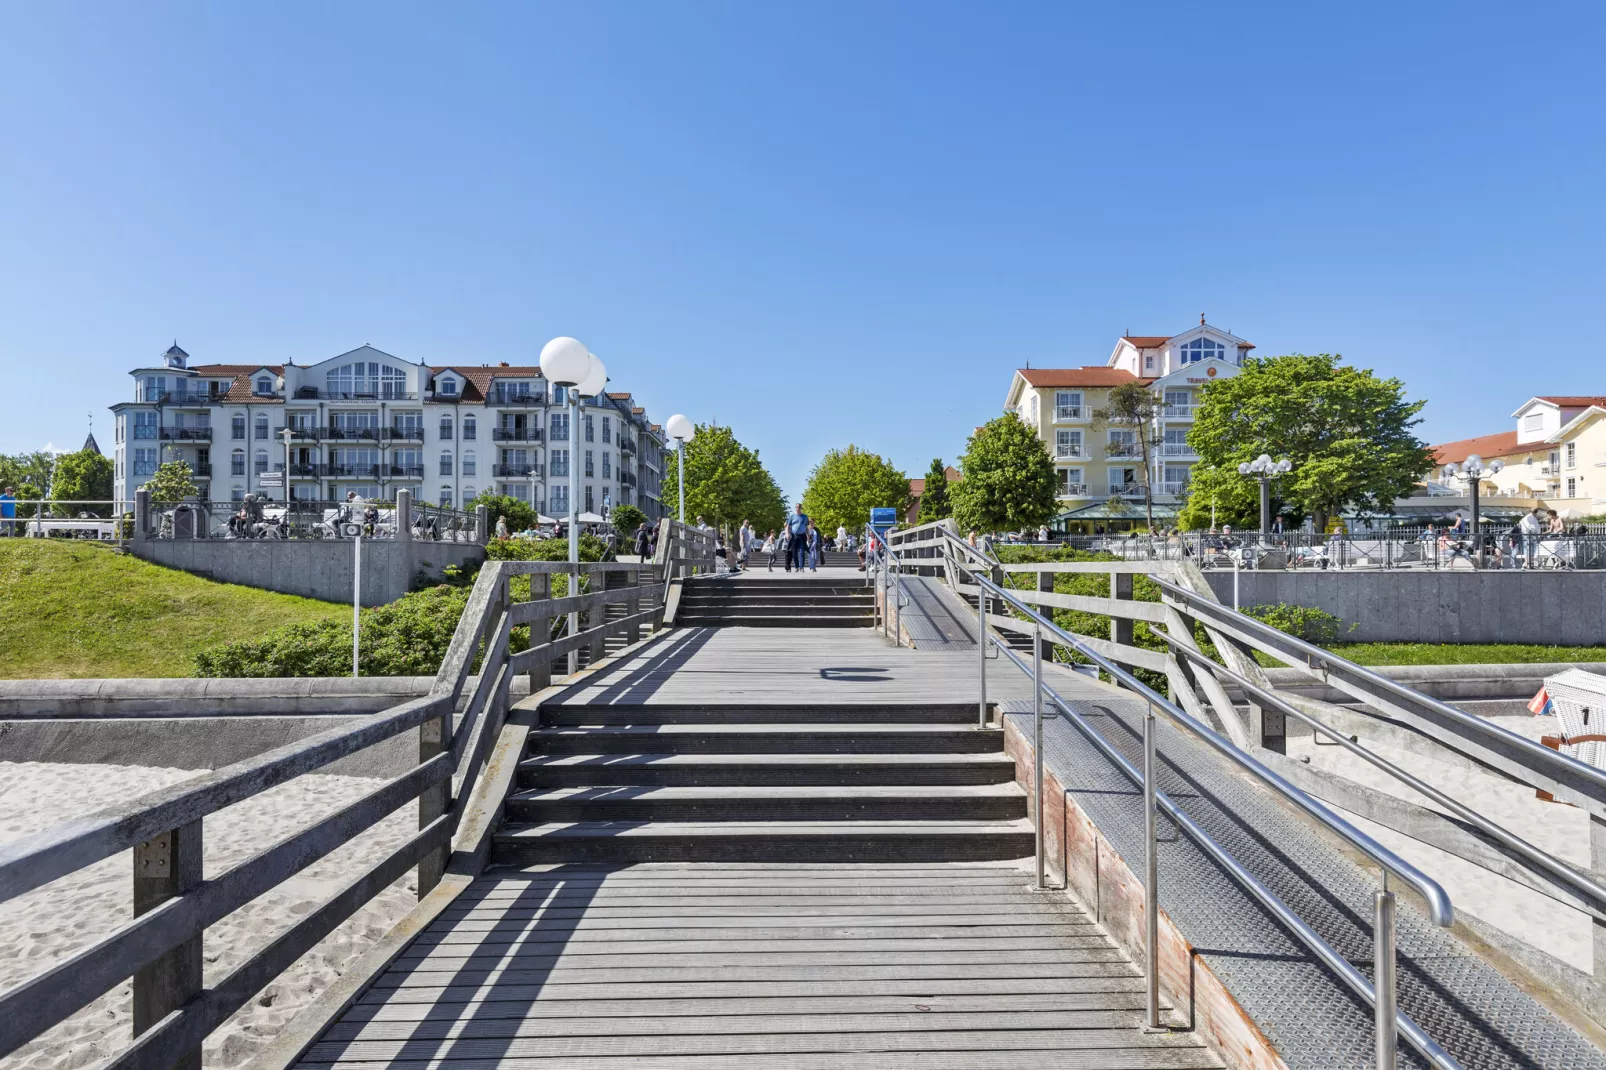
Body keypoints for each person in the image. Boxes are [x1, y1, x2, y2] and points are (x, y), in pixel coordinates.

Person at [787, 503, 811, 572]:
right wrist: (787, 534)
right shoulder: (792, 516)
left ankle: (802, 567)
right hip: (794, 536)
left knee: (802, 552)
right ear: (795, 508)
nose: (798, 508)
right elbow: (788, 526)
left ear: (801, 508)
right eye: (797, 507)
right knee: (794, 552)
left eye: (799, 507)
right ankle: (796, 567)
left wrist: (808, 535)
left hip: (802, 536)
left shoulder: (805, 516)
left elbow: (806, 527)